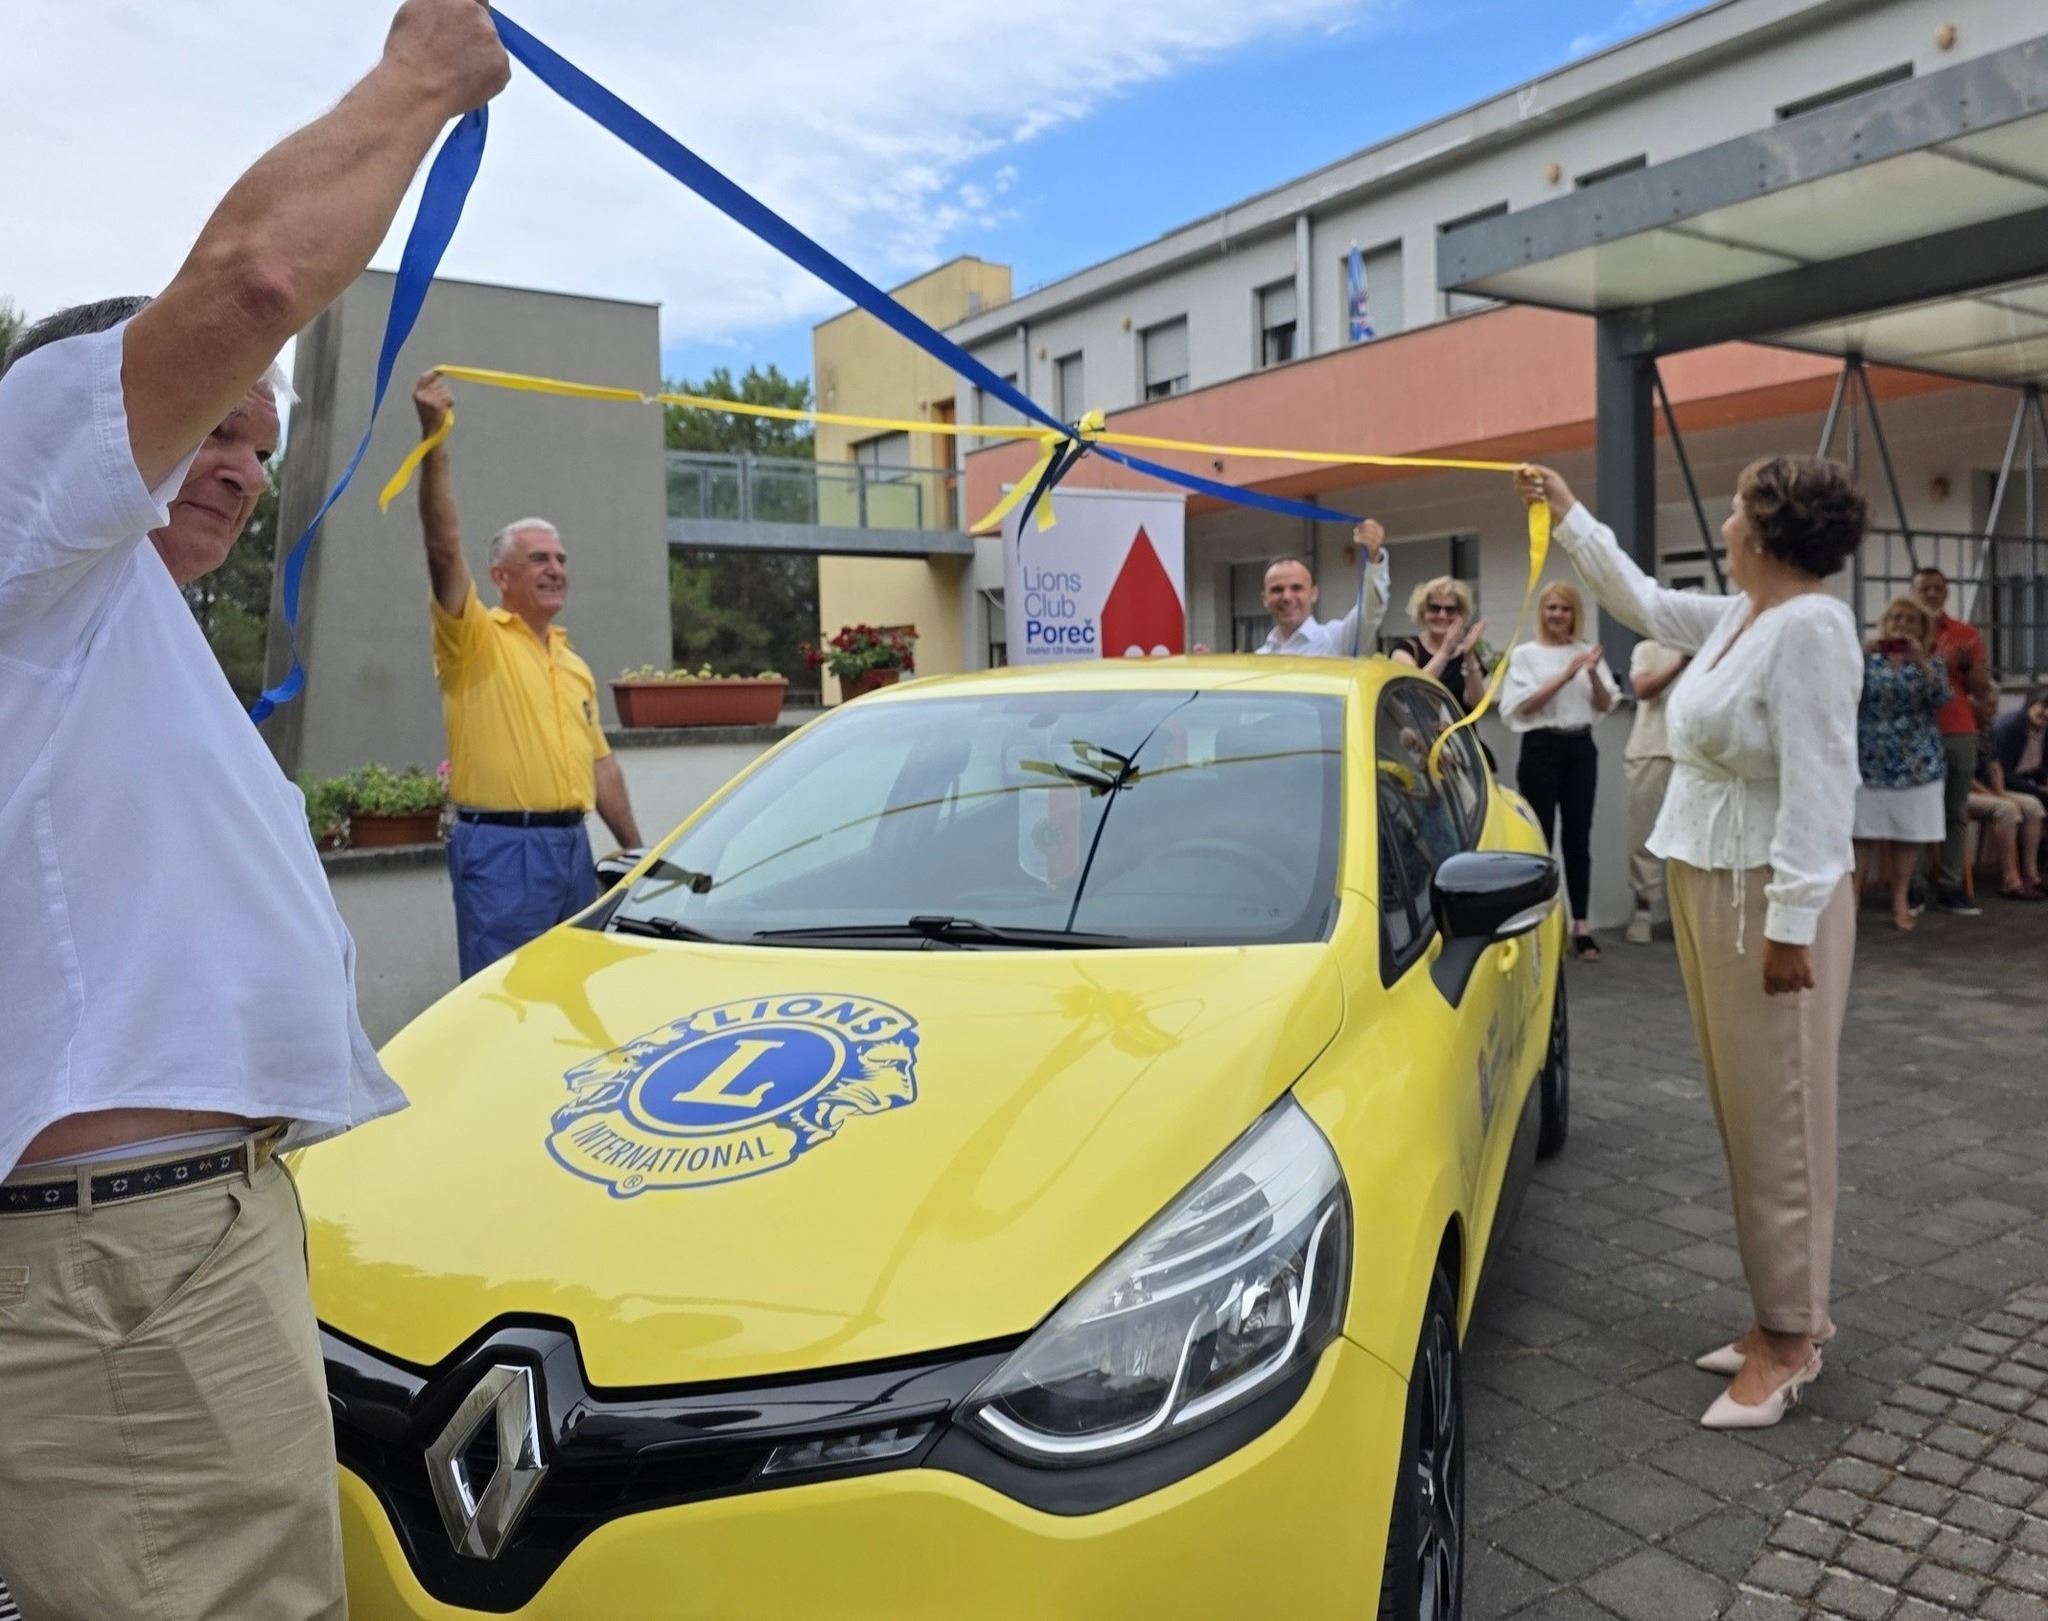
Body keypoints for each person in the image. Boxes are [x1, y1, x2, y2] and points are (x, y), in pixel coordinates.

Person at [0, 6, 509, 1617]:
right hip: (124, 1263)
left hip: (156, 1244)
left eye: (263, 446)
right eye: (213, 422)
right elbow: (254, 285)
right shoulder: (26, 492)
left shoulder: (98, 624)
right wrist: (422, 79)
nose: (239, 465)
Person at [1518, 456, 1864, 1431]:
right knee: (1744, 1110)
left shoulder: (1809, 626)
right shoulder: (1745, 615)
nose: (1722, 524)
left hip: (1766, 896)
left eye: (1735, 509)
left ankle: (1790, 1340)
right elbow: (1637, 598)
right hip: (1715, 875)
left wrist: (1790, 926)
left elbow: (1820, 779)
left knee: (1782, 1114)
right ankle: (1776, 1313)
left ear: (1768, 529)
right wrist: (1567, 512)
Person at [413, 370, 645, 979]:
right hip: (501, 851)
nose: (555, 568)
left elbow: (600, 767)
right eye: (538, 558)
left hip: (573, 847)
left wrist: (635, 848)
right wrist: (435, 441)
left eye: (561, 559)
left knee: (575, 993)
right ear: (501, 577)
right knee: (507, 1002)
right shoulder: (474, 641)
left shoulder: (573, 663)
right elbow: (443, 548)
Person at [1500, 579, 1617, 959]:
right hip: (1541, 747)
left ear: (1574, 613)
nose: (1558, 615)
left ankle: (1581, 924)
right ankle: (1540, 923)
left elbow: (1605, 704)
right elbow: (1523, 706)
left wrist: (1592, 673)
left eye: (1565, 608)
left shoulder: (1586, 652)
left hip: (1580, 746)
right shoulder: (1525, 655)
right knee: (1540, 836)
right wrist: (1565, 676)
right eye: (1552, 608)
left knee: (1578, 838)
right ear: (1542, 612)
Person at [1852, 596, 1949, 933]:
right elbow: (1845, 693)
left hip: (1916, 760)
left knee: (1908, 833)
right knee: (1860, 833)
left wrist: (1920, 662)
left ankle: (1900, 900)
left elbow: (1942, 698)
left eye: (1910, 620)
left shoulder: (1930, 660)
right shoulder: (1867, 658)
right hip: (1869, 757)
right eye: (1896, 618)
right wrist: (1860, 655)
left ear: (1923, 628)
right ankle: (1851, 901)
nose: (1902, 625)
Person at [1913, 565, 1996, 916]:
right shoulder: (1903, 632)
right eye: (1925, 588)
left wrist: (1965, 667)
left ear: (1946, 592)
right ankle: (1914, 888)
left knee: (1954, 811)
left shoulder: (1965, 633)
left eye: (1938, 588)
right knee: (1916, 810)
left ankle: (1950, 887)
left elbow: (1981, 690)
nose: (1932, 594)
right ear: (1914, 592)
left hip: (1958, 728)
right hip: (1916, 732)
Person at [1625, 638, 1690, 945]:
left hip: (1695, 755)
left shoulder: (1711, 646)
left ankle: (1687, 916)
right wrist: (1681, 663)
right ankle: (1643, 911)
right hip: (1651, 750)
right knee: (1645, 835)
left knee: (1691, 840)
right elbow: (1642, 689)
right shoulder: (1648, 648)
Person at [1254, 519, 1390, 656]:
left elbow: (1371, 609)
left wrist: (1374, 558)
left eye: (1296, 588)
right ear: (1265, 598)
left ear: (1314, 594)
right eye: (1277, 590)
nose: (1287, 597)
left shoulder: (1337, 640)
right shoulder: (1259, 657)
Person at [1389, 575, 1489, 715]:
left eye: (1450, 609)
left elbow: (1475, 703)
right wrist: (1445, 652)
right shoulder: (1405, 650)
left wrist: (1469, 656)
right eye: (1434, 608)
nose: (1442, 615)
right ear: (1422, 612)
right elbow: (1416, 691)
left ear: (1460, 615)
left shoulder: (1466, 653)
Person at [1991, 685, 2048, 814]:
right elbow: (2004, 773)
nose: (2047, 713)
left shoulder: (2045, 729)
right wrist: (2038, 789)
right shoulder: (2011, 727)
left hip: (2026, 781)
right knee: (2034, 804)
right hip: (2003, 783)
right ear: (2030, 704)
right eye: (2043, 706)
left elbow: (2043, 766)